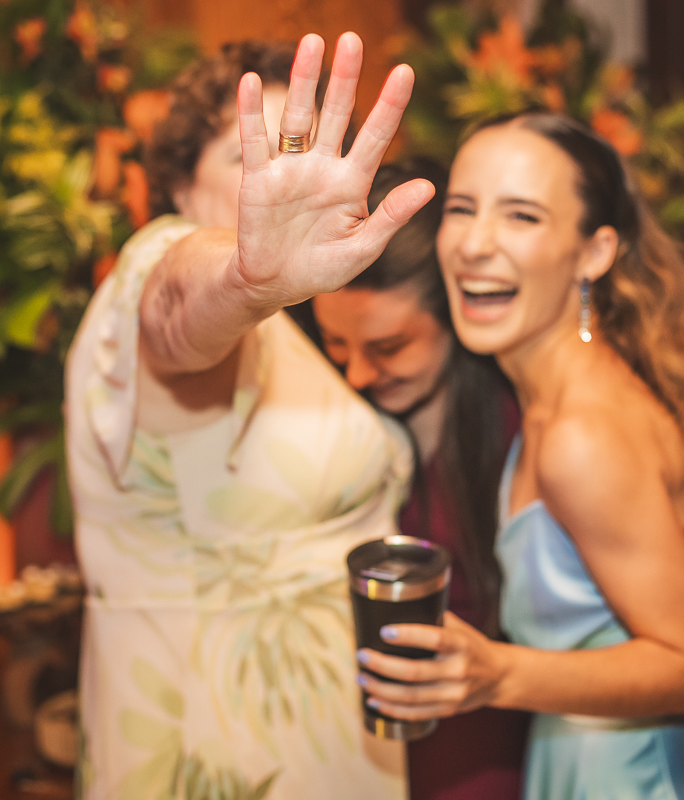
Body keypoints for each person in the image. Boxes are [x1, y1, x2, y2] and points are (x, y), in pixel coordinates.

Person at [310, 160, 684, 800]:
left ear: (458, 306)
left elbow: (627, 606)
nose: (356, 374)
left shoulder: (535, 428)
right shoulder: (330, 430)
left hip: (526, 747)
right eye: (335, 345)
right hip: (391, 755)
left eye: (389, 347)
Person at [64, 36, 433, 799]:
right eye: (249, 154)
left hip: (329, 747)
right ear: (178, 186)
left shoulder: (300, 334)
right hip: (215, 751)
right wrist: (242, 280)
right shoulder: (162, 262)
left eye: (298, 151)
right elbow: (175, 311)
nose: (281, 176)